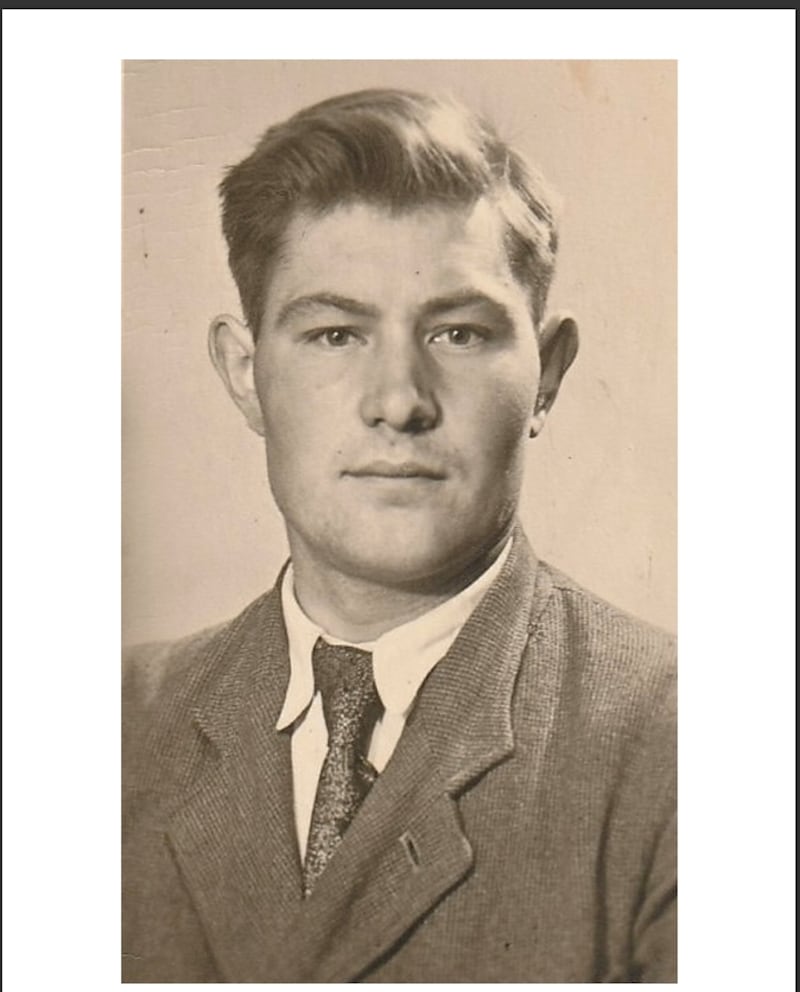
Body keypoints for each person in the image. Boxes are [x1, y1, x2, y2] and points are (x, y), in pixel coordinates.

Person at [122, 88, 676, 983]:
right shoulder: (106, 723)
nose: (399, 401)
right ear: (246, 373)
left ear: (546, 375)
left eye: (458, 333)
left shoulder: (682, 742)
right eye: (335, 334)